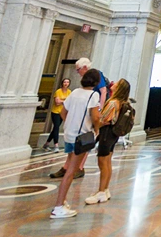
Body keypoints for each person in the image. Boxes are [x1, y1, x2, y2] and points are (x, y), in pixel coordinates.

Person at [50, 68, 102, 219]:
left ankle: (62, 201)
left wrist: (71, 123)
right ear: (96, 82)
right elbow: (95, 116)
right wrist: (96, 130)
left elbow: (63, 112)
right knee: (71, 171)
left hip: (69, 135)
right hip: (81, 137)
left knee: (70, 168)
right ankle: (58, 206)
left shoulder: (74, 93)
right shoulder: (93, 95)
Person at [50, 59, 106, 179]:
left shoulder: (95, 77)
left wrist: (100, 109)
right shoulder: (76, 92)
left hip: (88, 117)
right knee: (73, 149)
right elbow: (64, 111)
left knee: (82, 145)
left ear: (85, 67)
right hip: (77, 121)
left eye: (78, 70)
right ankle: (68, 168)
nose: (77, 72)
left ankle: (77, 168)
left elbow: (103, 91)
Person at [86, 78, 131, 206]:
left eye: (117, 83)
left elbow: (104, 119)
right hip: (112, 135)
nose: (113, 83)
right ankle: (105, 189)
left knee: (103, 162)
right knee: (108, 162)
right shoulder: (121, 102)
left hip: (106, 133)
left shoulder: (113, 102)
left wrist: (96, 122)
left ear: (119, 88)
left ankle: (101, 191)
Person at [43, 78, 71, 151]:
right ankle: (56, 145)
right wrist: (65, 101)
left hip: (63, 112)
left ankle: (46, 144)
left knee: (55, 128)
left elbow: (70, 102)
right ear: (62, 83)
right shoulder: (58, 91)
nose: (66, 83)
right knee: (56, 127)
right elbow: (57, 102)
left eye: (67, 82)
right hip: (55, 112)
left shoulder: (69, 92)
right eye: (65, 82)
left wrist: (62, 101)